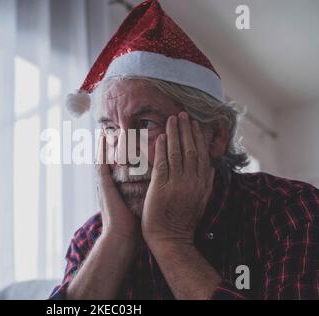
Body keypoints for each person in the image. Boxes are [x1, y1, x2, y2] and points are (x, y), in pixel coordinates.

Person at [50, 0, 319, 299]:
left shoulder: (293, 211)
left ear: (215, 135)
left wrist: (170, 241)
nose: (123, 154)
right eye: (110, 129)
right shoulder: (93, 236)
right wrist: (116, 239)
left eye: (145, 123)